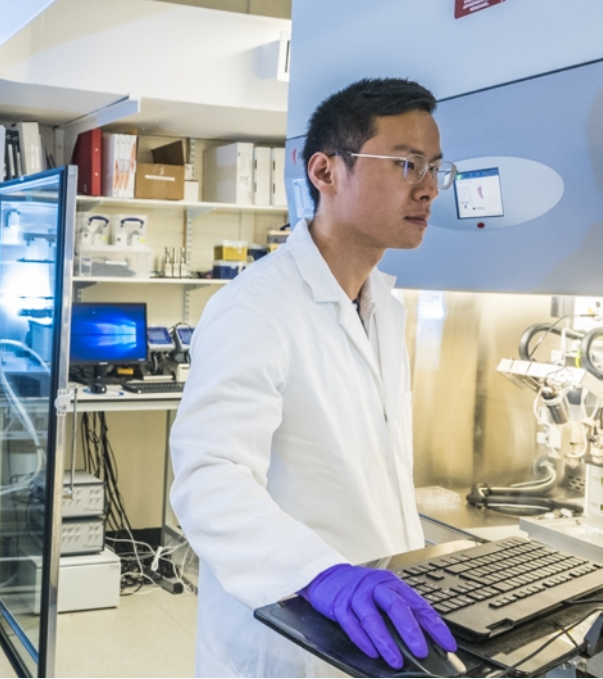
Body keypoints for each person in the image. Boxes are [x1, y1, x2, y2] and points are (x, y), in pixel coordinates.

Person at [168, 78, 458, 677]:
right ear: (325, 172)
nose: (429, 189)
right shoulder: (256, 307)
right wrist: (318, 573)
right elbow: (208, 478)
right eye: (406, 164)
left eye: (434, 167)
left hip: (375, 627)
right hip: (288, 634)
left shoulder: (381, 305)